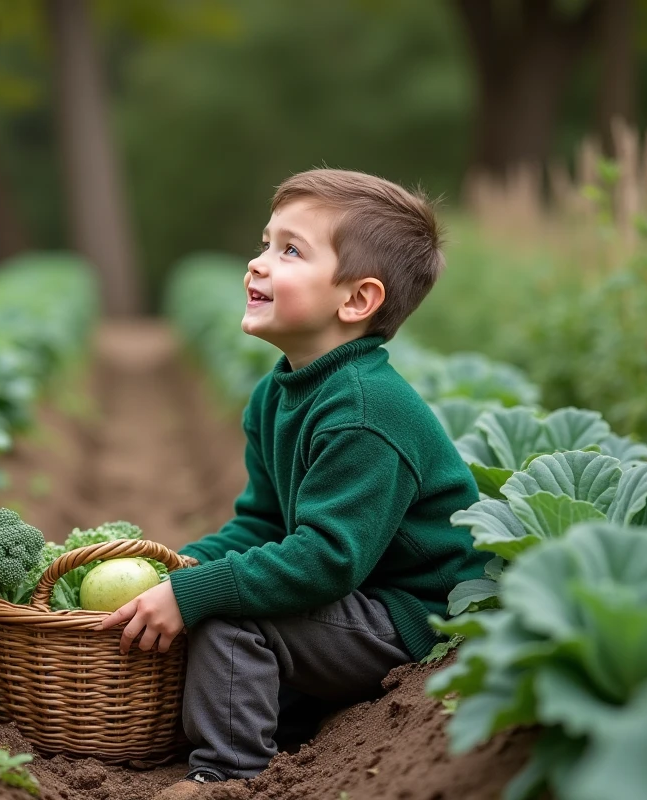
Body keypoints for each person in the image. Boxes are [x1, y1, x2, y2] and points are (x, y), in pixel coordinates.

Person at [96, 168, 489, 798]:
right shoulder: (276, 396)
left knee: (229, 623)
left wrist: (201, 593)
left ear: (357, 300)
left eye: (290, 250)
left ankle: (228, 776)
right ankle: (278, 716)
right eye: (264, 242)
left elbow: (328, 559)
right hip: (358, 597)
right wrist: (186, 567)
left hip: (416, 615)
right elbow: (263, 523)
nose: (256, 264)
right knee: (215, 596)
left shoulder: (365, 411)